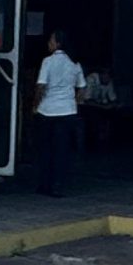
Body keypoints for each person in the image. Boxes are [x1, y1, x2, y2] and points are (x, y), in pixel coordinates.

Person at [33, 30, 83, 198]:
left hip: (47, 110)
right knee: (61, 150)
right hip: (67, 110)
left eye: (51, 41)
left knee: (45, 149)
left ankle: (44, 183)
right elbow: (81, 86)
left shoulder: (48, 61)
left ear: (58, 44)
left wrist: (35, 105)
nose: (49, 43)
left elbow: (41, 85)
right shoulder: (75, 63)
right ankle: (57, 184)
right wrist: (73, 101)